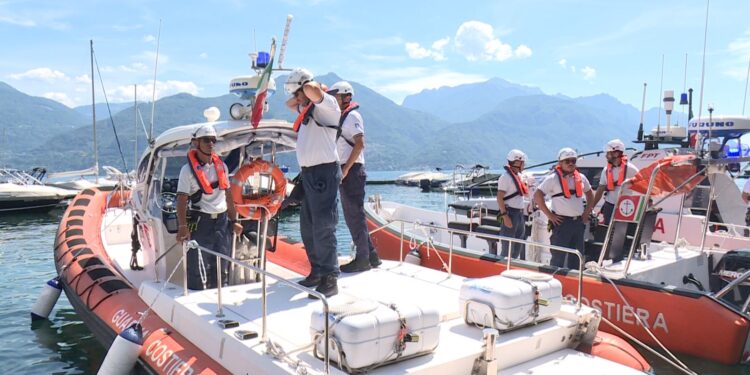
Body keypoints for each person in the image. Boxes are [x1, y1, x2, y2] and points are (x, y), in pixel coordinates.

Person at [285, 68, 342, 298]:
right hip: (309, 174)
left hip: (324, 173)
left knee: (324, 227)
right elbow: (290, 104)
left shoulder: (327, 106)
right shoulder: (307, 108)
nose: (296, 98)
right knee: (308, 226)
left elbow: (312, 89)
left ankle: (330, 278)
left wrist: (306, 86)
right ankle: (317, 270)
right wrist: (300, 95)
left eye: (299, 92)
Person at [176, 124, 242, 290]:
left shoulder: (223, 167)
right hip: (200, 222)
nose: (211, 143)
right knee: (198, 266)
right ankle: (194, 299)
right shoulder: (186, 171)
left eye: (213, 140)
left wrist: (234, 220)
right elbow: (182, 200)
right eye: (206, 140)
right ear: (196, 143)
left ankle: (221, 299)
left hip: (222, 221)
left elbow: (228, 196)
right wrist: (183, 227)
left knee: (222, 264)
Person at [328, 80, 381, 273]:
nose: (333, 99)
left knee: (354, 216)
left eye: (336, 95)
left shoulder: (352, 116)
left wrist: (346, 169)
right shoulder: (342, 116)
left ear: (345, 96)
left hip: (352, 170)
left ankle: (362, 259)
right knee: (353, 215)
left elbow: (360, 144)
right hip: (347, 169)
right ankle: (372, 256)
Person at [534, 147, 594, 269]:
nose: (571, 163)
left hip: (578, 223)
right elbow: (538, 195)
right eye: (567, 161)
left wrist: (587, 212)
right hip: (561, 223)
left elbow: (590, 194)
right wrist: (550, 215)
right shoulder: (553, 178)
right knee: (558, 257)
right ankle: (555, 280)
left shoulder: (581, 177)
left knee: (577, 256)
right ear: (560, 163)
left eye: (573, 161)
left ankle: (574, 282)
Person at [588, 139, 639, 224]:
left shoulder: (632, 169)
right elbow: (600, 189)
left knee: (621, 233)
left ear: (616, 153)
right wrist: (591, 207)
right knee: (607, 230)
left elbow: (643, 186)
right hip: (609, 206)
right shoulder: (606, 170)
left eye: (608, 153)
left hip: (626, 207)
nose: (606, 156)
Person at [496, 149, 529, 260]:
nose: (524, 165)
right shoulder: (505, 177)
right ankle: (503, 268)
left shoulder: (518, 176)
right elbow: (499, 197)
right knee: (507, 249)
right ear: (517, 162)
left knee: (517, 247)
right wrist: (505, 216)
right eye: (523, 162)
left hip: (519, 214)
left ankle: (512, 268)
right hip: (511, 214)